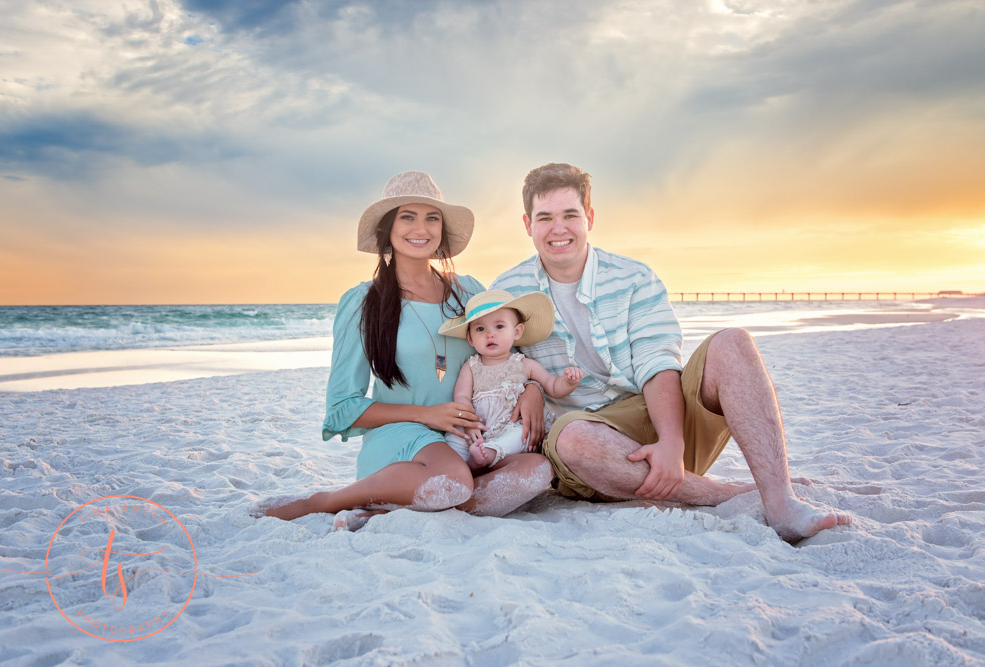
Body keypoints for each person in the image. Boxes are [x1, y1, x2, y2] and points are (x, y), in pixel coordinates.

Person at [491, 162, 851, 543]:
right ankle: (726, 493)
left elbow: (657, 363)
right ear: (528, 224)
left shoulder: (634, 278)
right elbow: (493, 361)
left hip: (659, 422)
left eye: (570, 215)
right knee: (572, 437)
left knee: (732, 341)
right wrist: (530, 386)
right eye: (545, 218)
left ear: (589, 218)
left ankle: (781, 503)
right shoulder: (508, 290)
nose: (558, 228)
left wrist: (671, 443)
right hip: (591, 453)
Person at [259, 171, 552, 528]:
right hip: (402, 439)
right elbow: (341, 408)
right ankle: (327, 501)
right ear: (388, 228)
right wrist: (426, 415)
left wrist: (535, 389)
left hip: (468, 438)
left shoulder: (470, 292)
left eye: (432, 218)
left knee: (535, 470)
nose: (422, 228)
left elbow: (508, 355)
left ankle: (390, 510)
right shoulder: (362, 302)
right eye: (408, 217)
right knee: (453, 480)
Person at [437, 289, 584, 470]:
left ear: (517, 332)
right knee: (454, 437)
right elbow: (462, 397)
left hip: (510, 423)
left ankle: (487, 455)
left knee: (522, 435)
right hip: (478, 424)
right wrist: (469, 424)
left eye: (499, 327)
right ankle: (459, 466)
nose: (490, 334)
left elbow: (553, 386)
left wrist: (568, 382)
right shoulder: (471, 366)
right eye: (480, 329)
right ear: (470, 338)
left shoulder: (524, 364)